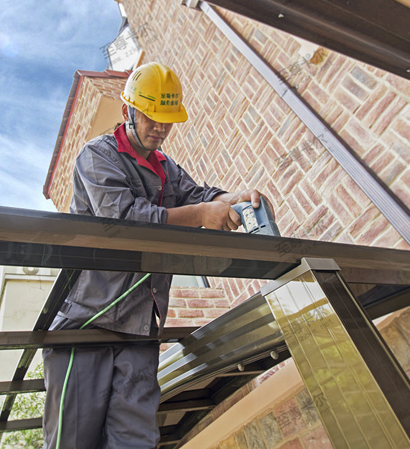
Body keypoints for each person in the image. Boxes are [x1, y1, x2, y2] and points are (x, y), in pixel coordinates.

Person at [42, 62, 273, 449]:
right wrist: (201, 215)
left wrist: (225, 199)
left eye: (167, 120)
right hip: (87, 322)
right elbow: (127, 222)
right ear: (127, 111)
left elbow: (196, 195)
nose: (160, 128)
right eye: (151, 117)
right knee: (72, 439)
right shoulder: (97, 157)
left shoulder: (165, 167)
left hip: (138, 329)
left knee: (135, 439)